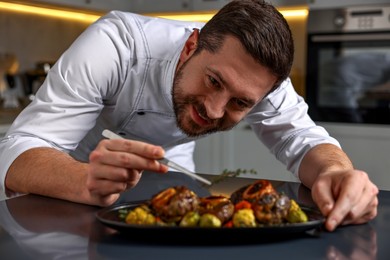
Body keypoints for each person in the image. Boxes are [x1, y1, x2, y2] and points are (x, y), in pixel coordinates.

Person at [0, 0, 378, 232]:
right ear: (190, 47)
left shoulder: (259, 81)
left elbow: (305, 140)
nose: (214, 111)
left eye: (239, 103)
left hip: (172, 179)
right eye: (213, 80)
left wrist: (338, 174)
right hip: (68, 184)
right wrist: (85, 179)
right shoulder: (116, 44)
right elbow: (17, 149)